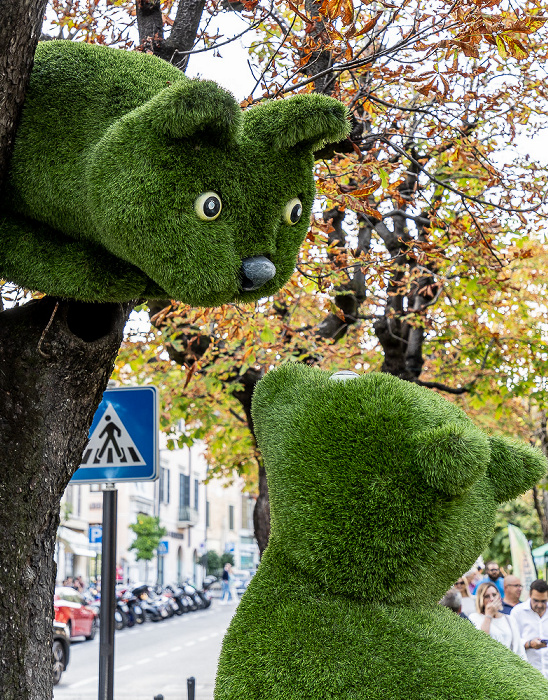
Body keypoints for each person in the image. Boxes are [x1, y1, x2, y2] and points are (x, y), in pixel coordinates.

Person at [469, 582, 526, 659]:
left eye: (494, 595)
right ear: (481, 599)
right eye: (487, 596)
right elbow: (481, 641)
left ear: (499, 597)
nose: (492, 599)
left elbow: (519, 648)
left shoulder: (509, 619)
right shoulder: (475, 618)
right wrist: (488, 615)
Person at [510, 579, 548, 678]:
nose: (539, 605)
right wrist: (529, 644)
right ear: (530, 595)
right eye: (536, 600)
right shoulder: (518, 612)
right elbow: (512, 642)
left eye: (543, 601)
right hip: (528, 674)